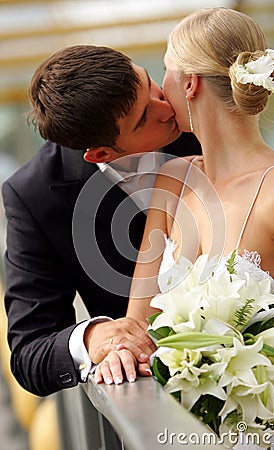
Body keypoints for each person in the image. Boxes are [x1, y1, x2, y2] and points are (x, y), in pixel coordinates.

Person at [96, 7, 274, 386]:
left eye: (165, 69)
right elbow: (138, 322)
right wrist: (119, 350)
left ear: (189, 82)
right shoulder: (172, 182)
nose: (160, 86)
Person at [2, 45, 201, 396]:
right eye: (144, 118)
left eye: (150, 83)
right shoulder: (34, 197)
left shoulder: (196, 108)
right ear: (101, 155)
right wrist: (95, 336)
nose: (167, 107)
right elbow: (29, 352)